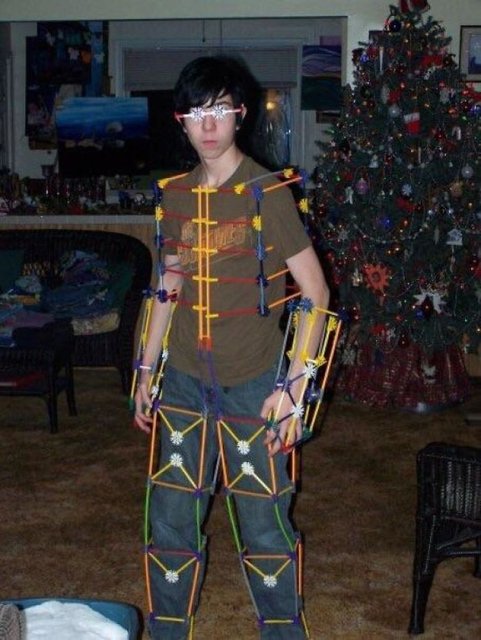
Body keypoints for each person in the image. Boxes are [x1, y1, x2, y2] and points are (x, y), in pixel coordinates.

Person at [134, 55, 330, 640]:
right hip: (183, 382)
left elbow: (316, 292)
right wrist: (145, 370)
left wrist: (293, 390)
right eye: (196, 112)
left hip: (254, 383)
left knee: (264, 526)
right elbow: (168, 285)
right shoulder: (174, 196)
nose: (209, 124)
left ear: (240, 114)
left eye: (220, 109)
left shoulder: (267, 192)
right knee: (170, 524)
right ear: (181, 121)